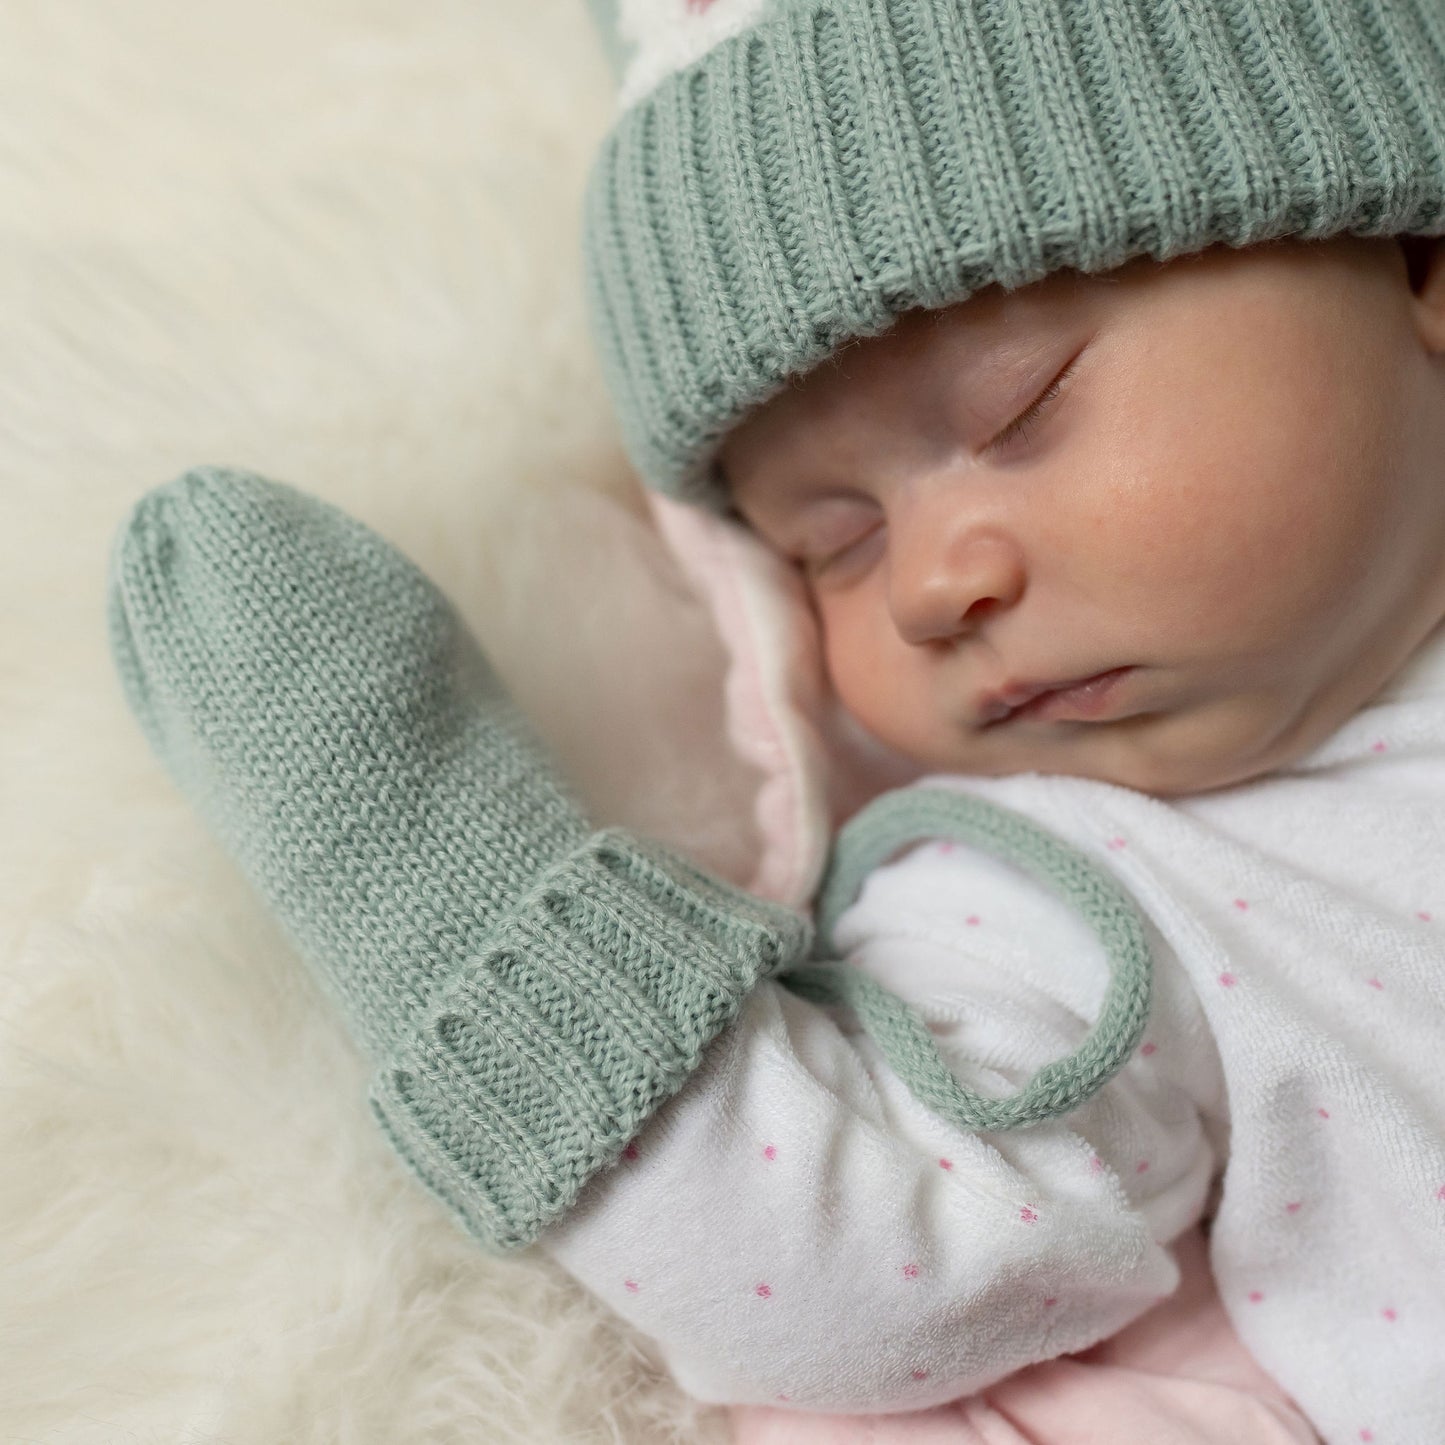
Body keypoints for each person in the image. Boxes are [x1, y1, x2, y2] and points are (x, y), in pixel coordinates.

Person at [103, 2, 1445, 1442]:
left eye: (1017, 411)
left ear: (1414, 262)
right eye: (834, 542)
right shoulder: (1084, 892)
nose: (936, 582)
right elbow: (869, 1257)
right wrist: (463, 917)